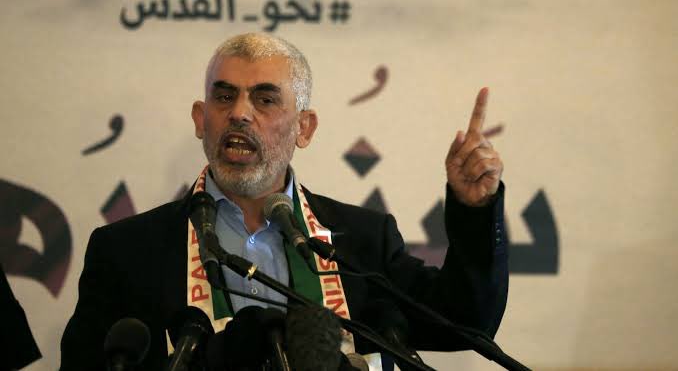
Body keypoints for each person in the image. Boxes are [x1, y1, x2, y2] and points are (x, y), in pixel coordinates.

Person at [60, 33, 508, 370]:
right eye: (224, 96)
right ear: (201, 119)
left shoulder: (362, 242)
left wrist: (474, 210)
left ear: (304, 128)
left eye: (265, 99)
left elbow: (465, 323)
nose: (239, 113)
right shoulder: (127, 251)